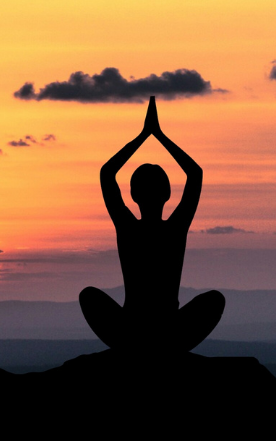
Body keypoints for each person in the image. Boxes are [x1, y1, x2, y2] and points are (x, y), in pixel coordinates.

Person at [79, 96, 225, 353]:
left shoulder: (128, 227)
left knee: (88, 296)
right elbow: (195, 174)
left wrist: (145, 135)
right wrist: (157, 135)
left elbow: (106, 173)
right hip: (168, 330)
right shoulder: (175, 228)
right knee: (214, 300)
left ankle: (138, 348)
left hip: (133, 329)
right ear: (168, 194)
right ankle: (162, 349)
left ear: (133, 195)